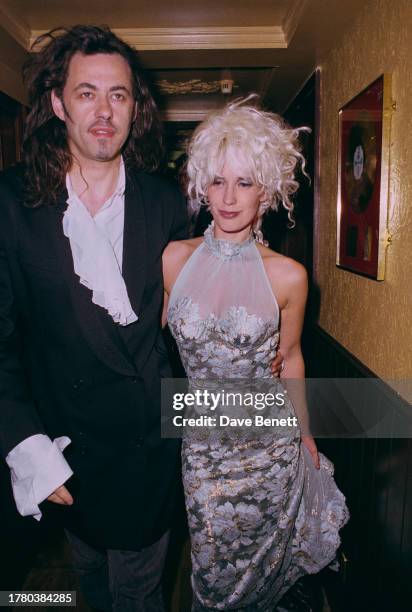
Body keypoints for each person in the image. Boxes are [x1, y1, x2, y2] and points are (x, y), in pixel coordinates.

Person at [0, 24, 191, 611]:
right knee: (91, 581)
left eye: (119, 95)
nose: (104, 111)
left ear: (137, 109)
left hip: (147, 451)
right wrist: (27, 446)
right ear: (59, 103)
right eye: (87, 93)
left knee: (137, 594)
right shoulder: (11, 202)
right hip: (65, 448)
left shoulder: (170, 202)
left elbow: (185, 338)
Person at [163, 100, 349, 611]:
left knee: (270, 571)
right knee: (212, 562)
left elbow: (290, 359)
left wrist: (306, 434)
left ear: (267, 191)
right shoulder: (173, 260)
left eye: (244, 183)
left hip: (270, 448)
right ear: (202, 184)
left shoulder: (288, 275)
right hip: (203, 449)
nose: (228, 197)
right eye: (218, 181)